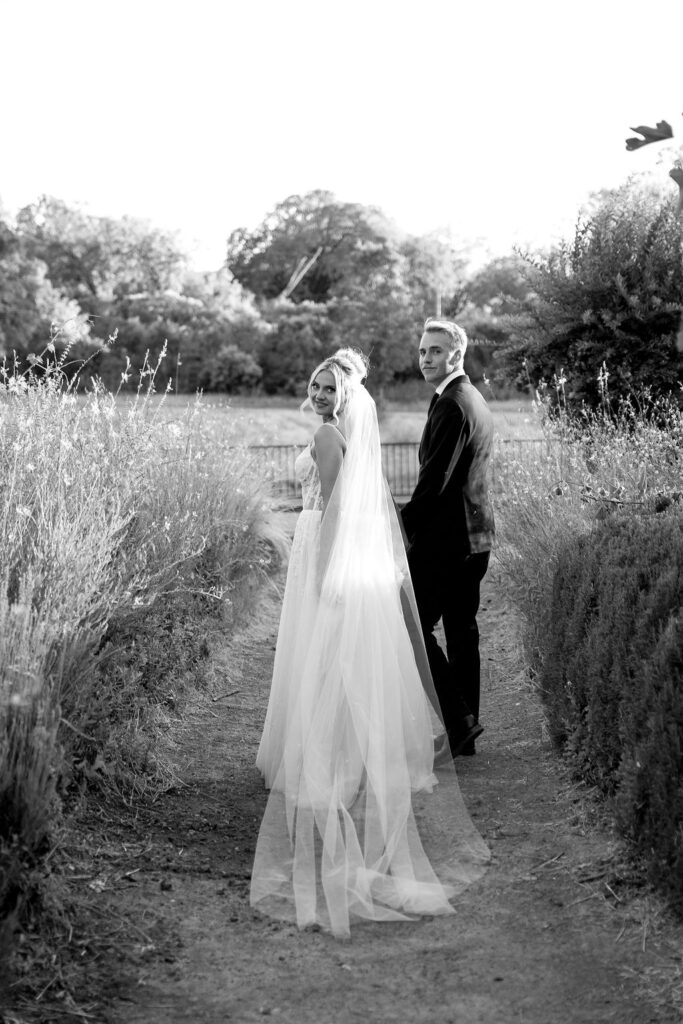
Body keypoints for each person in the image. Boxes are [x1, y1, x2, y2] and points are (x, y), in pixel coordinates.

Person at [250, 348, 489, 938]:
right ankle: (345, 745)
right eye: (315, 383)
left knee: (318, 653)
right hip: (318, 543)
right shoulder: (331, 431)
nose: (321, 393)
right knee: (321, 653)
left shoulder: (326, 435)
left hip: (321, 548)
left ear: (345, 396)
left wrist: (326, 569)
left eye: (330, 387)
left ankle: (325, 752)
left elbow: (331, 507)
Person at [401, 318, 496, 760]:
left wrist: (402, 527)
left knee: (414, 627)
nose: (425, 359)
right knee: (461, 632)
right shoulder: (471, 398)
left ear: (456, 355)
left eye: (435, 351)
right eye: (422, 351)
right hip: (475, 538)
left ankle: (458, 721)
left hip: (446, 543)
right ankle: (465, 730)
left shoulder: (454, 404)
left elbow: (434, 481)